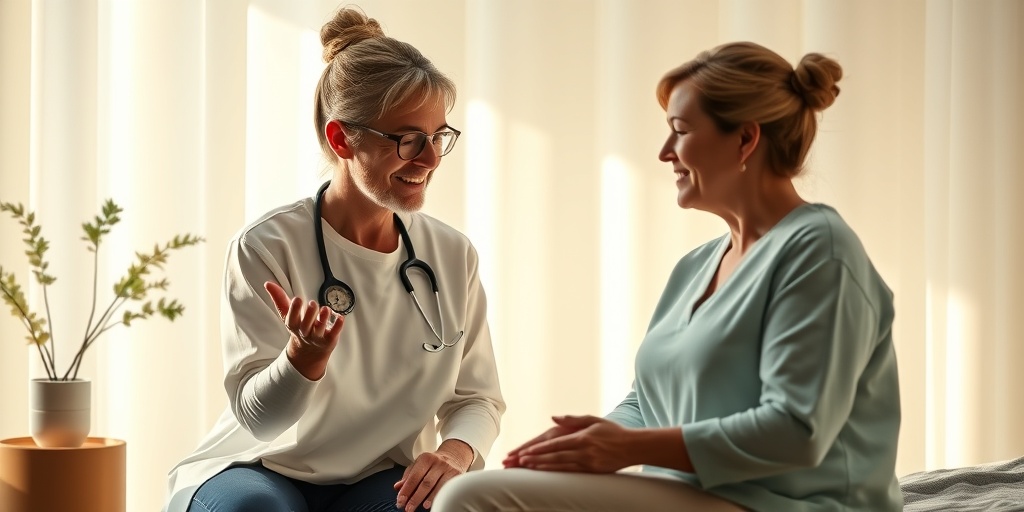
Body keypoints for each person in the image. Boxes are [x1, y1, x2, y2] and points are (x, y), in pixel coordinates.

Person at [433, 41, 902, 512]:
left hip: (789, 505)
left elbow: (796, 430)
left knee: (470, 498)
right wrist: (595, 440)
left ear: (745, 139)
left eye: (679, 131)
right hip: (695, 495)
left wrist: (629, 450)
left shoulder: (820, 253)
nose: (664, 153)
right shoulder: (697, 265)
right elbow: (648, 400)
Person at [164, 6, 504, 512]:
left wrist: (456, 450)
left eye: (438, 137)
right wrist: (303, 359)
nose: (431, 160)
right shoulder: (267, 247)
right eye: (409, 139)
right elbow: (261, 422)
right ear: (342, 137)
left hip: (377, 477)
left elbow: (477, 398)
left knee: (440, 505)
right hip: (261, 468)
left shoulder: (451, 255)